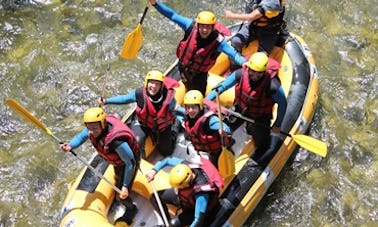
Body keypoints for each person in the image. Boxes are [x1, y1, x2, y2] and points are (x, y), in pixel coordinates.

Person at [59, 107, 139, 225]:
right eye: (89, 128)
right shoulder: (93, 128)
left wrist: (125, 186)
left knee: (121, 194)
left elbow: (130, 163)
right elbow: (81, 136)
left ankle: (131, 209)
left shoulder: (116, 142)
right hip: (118, 159)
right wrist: (71, 145)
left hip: (128, 162)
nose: (91, 131)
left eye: (95, 128)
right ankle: (119, 194)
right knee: (117, 179)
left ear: (103, 124)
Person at [148, 0, 246, 96]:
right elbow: (172, 15)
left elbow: (233, 54)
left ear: (212, 27)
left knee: (198, 95)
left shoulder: (218, 42)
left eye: (208, 27)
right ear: (197, 25)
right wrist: (155, 4)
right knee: (187, 85)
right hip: (183, 67)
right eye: (202, 26)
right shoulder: (189, 26)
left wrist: (243, 62)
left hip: (199, 76)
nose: (204, 30)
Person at [206, 52, 287, 166]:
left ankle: (259, 159)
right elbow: (222, 86)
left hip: (260, 117)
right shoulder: (240, 74)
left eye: (259, 73)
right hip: (240, 109)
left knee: (262, 143)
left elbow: (283, 105)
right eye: (252, 71)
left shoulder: (273, 85)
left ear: (264, 72)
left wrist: (277, 124)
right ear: (248, 67)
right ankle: (227, 149)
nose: (255, 75)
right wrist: (208, 99)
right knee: (221, 132)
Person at [99, 70, 181, 159]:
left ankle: (176, 125)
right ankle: (140, 160)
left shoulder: (167, 97)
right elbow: (124, 99)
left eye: (157, 84)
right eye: (151, 83)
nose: (153, 86)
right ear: (146, 83)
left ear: (161, 86)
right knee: (137, 141)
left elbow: (177, 109)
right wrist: (106, 101)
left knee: (166, 151)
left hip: (162, 126)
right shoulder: (139, 94)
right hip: (143, 123)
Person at [145, 156, 224, 227]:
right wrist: (154, 171)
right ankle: (166, 222)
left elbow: (198, 220)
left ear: (186, 184)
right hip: (186, 197)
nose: (175, 188)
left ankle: (169, 224)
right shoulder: (186, 166)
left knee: (173, 224)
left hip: (196, 210)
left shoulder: (201, 193)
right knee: (155, 197)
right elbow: (168, 160)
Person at [177, 90, 233, 167]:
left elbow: (226, 128)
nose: (190, 110)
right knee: (187, 134)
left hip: (217, 150)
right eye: (188, 107)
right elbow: (180, 112)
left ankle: (230, 147)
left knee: (215, 166)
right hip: (205, 147)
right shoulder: (189, 115)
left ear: (200, 107)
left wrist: (222, 130)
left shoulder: (210, 120)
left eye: (193, 107)